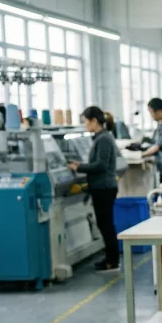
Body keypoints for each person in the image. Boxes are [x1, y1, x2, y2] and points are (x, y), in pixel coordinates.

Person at [68, 106, 122, 273]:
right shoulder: (101, 137)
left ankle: (112, 261)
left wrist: (80, 168)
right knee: (104, 224)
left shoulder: (104, 139)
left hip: (104, 187)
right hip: (101, 187)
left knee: (106, 225)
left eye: (86, 121)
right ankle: (110, 258)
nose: (85, 125)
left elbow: (101, 165)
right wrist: (82, 165)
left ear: (94, 121)